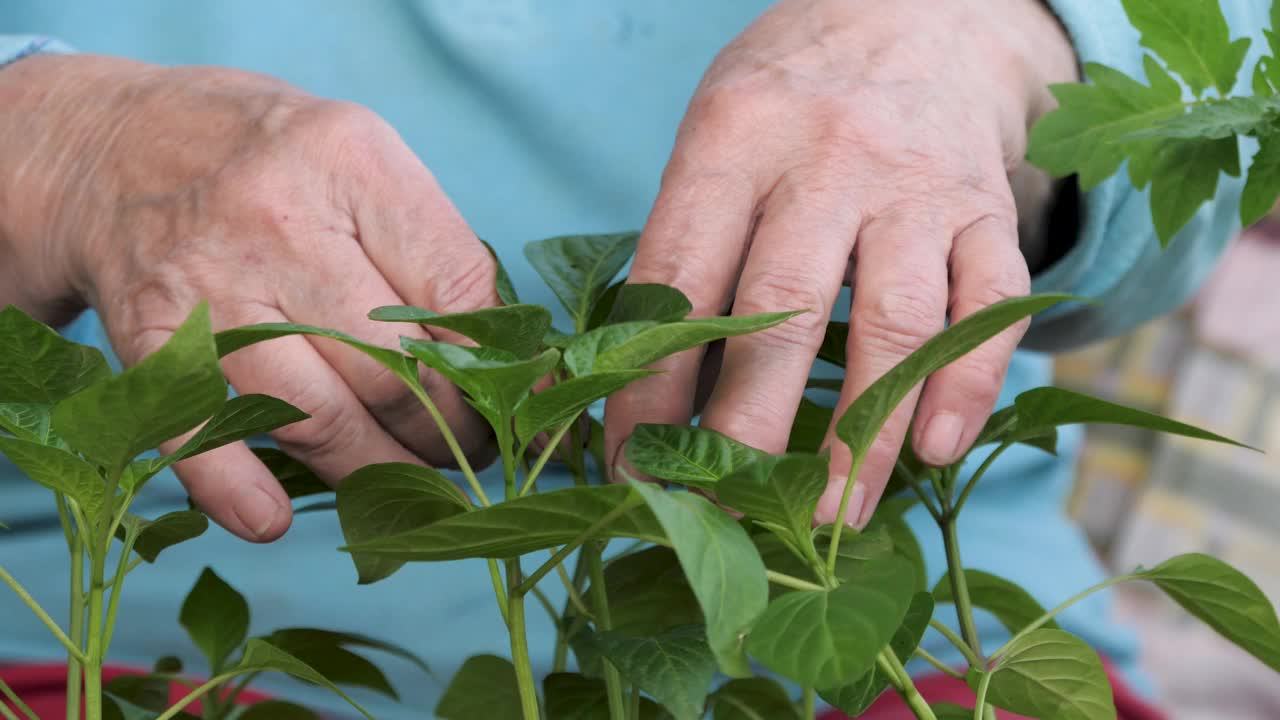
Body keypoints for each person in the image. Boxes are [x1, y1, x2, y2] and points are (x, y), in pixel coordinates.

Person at [0, 1, 1264, 717]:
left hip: (905, 599)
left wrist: (995, 48)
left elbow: (1224, 88)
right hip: (103, 626)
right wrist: (54, 139)